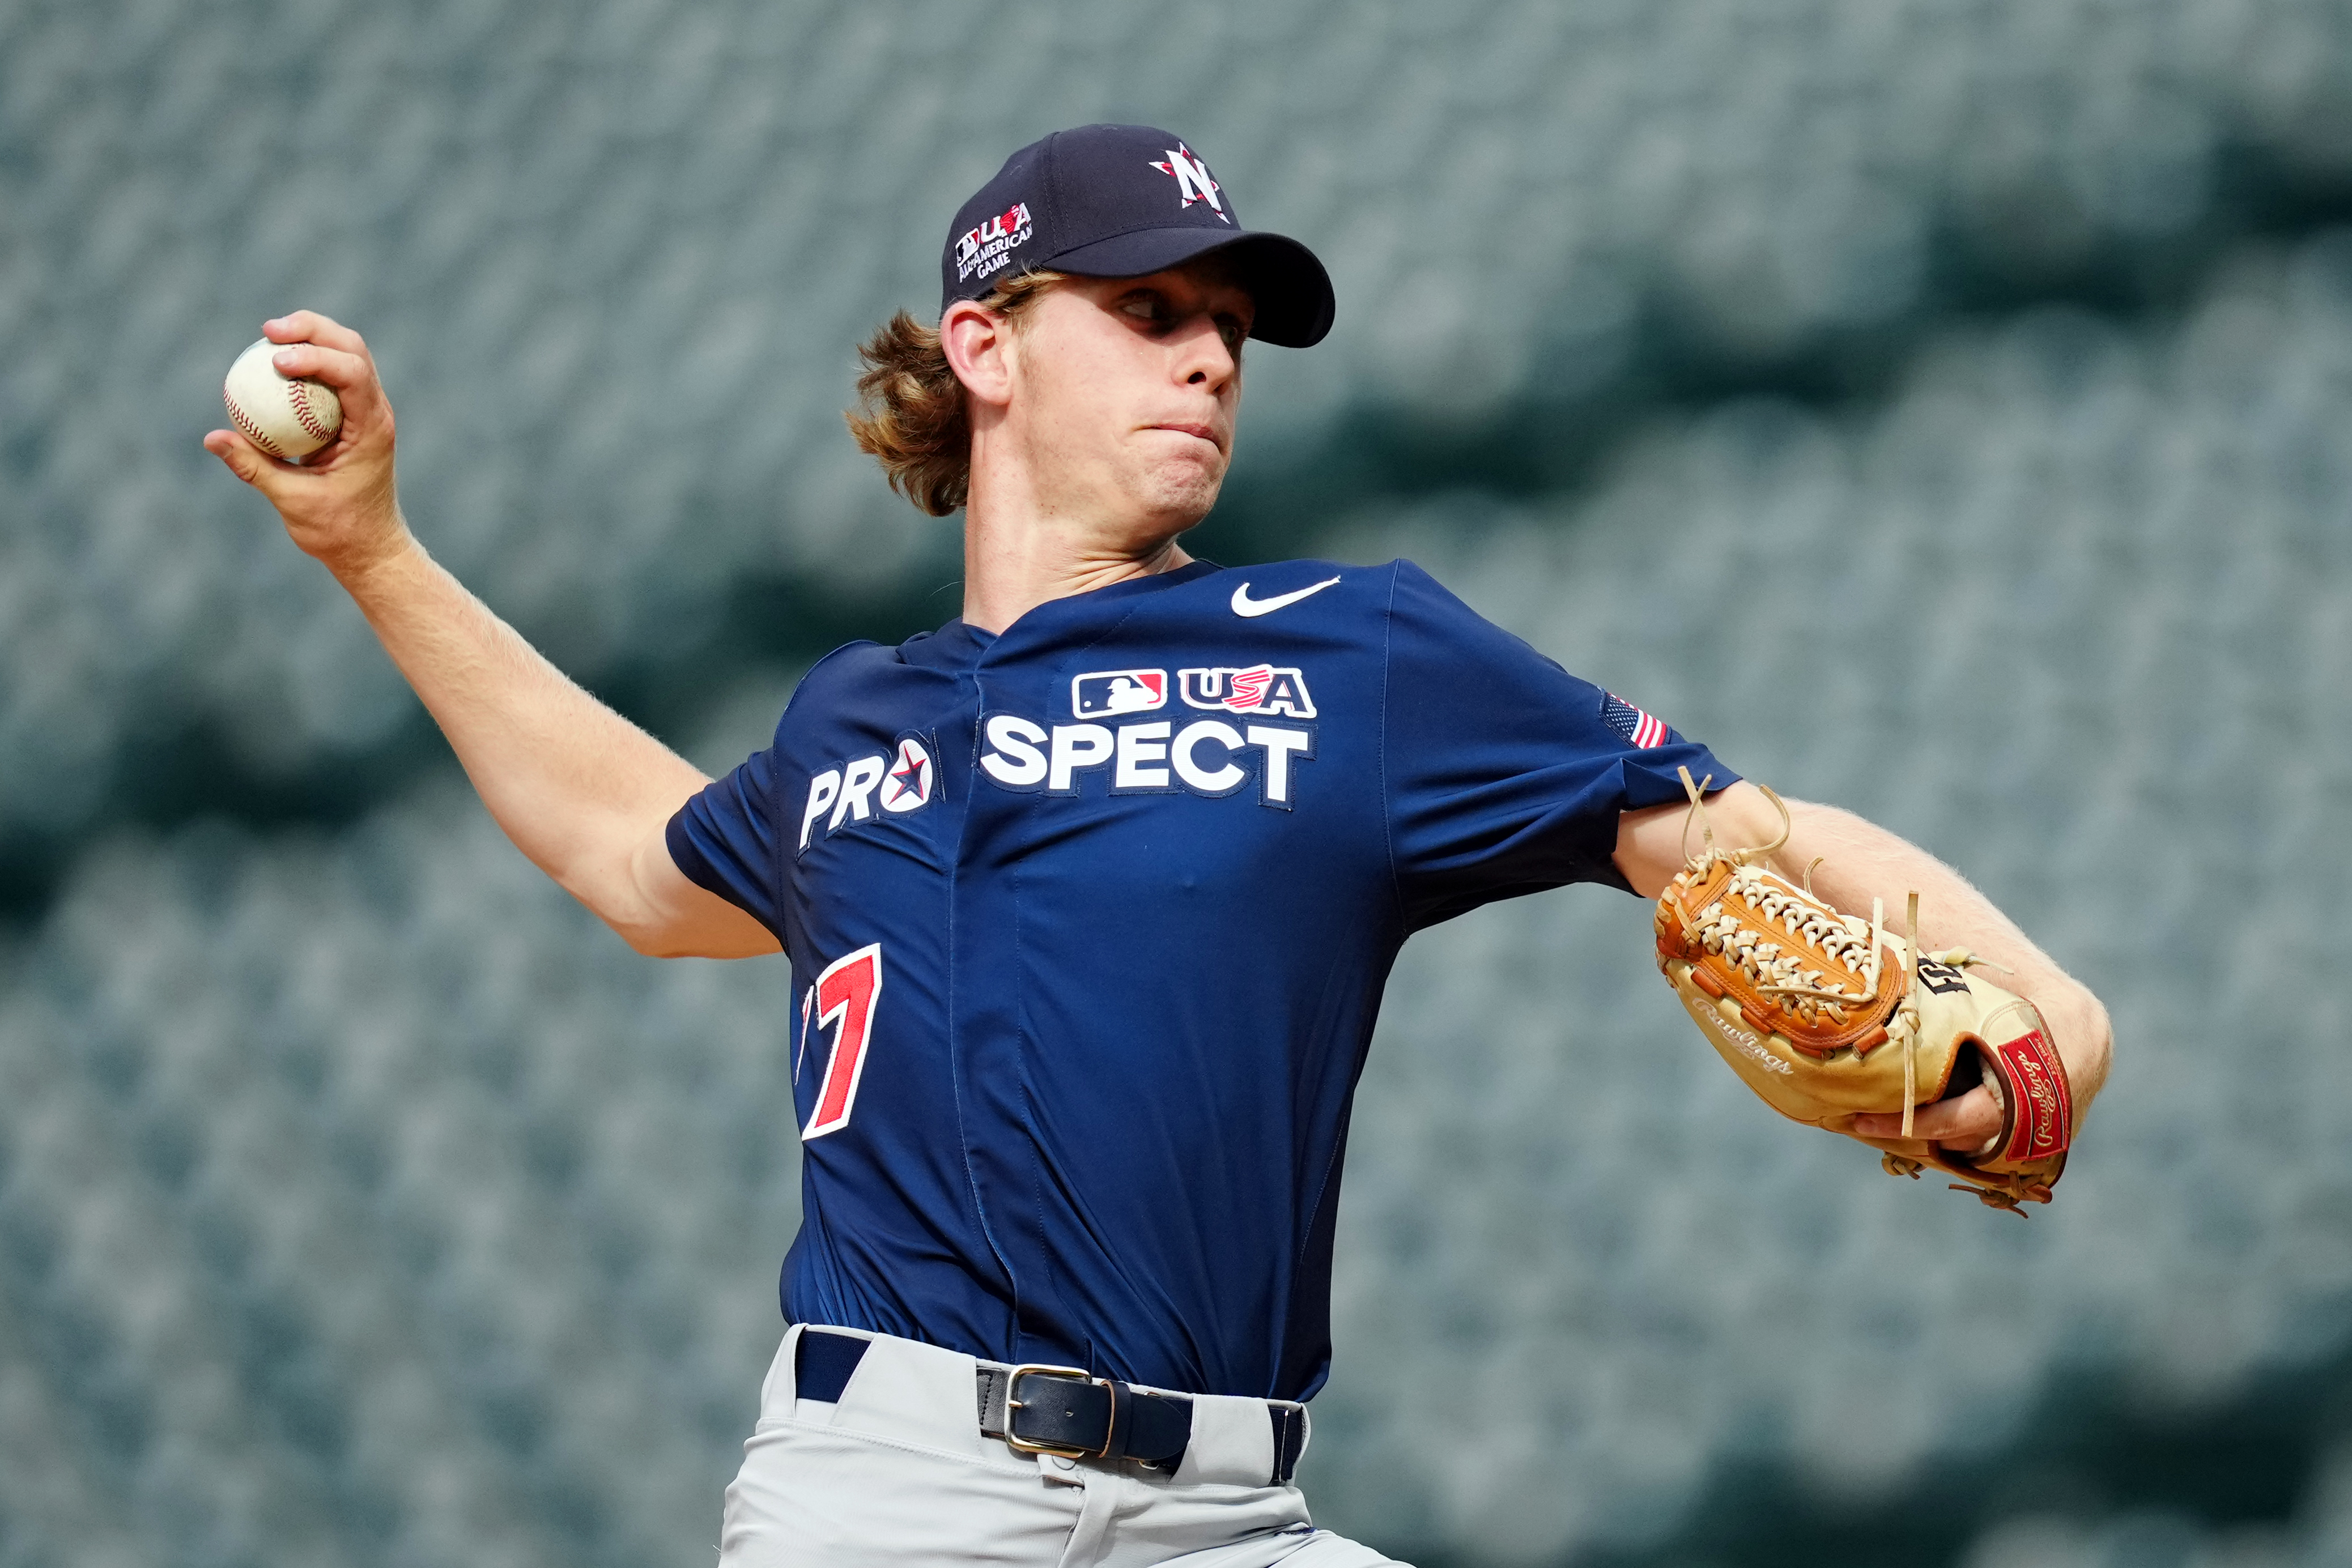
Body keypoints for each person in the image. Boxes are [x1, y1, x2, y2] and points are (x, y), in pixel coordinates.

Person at [203, 125, 2113, 1567]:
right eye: (1150, 312)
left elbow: (1742, 836)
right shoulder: (853, 721)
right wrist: (371, 549)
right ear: (988, 346)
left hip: (1229, 1515)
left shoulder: (1355, 653)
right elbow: (633, 857)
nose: (1210, 359)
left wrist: (2048, 1014)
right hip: (895, 1498)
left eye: (1228, 328)